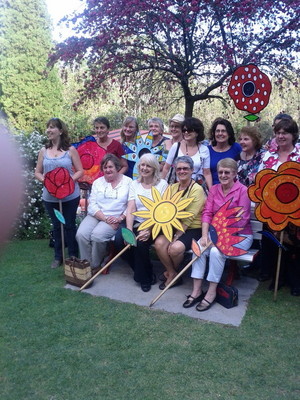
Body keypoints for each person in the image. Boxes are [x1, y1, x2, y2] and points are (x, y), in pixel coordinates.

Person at [184, 159, 253, 311]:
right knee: (198, 248)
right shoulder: (214, 189)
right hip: (214, 234)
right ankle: (196, 291)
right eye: (220, 172)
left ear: (235, 174)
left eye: (227, 172)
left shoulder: (243, 191)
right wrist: (204, 236)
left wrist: (218, 239)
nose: (223, 175)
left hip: (240, 236)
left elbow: (241, 220)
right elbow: (207, 214)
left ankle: (211, 292)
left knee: (217, 251)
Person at [115, 153, 168, 292]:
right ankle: (146, 270)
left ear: (155, 168)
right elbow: (131, 207)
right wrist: (129, 230)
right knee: (120, 241)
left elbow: (162, 211)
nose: (144, 168)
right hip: (135, 221)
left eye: (148, 165)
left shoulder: (162, 184)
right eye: (142, 165)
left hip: (155, 224)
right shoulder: (135, 184)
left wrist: (149, 229)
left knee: (140, 243)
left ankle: (144, 278)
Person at [35, 118, 83, 268]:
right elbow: (37, 172)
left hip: (70, 196)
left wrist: (67, 183)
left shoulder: (70, 150)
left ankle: (73, 255)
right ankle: (58, 256)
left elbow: (80, 171)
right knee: (56, 226)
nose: (49, 130)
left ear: (61, 131)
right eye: (48, 127)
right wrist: (47, 183)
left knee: (69, 224)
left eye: (52, 127)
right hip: (50, 197)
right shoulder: (44, 151)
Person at [257, 118, 300, 287]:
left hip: (295, 207)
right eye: (278, 133)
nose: (281, 136)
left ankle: (294, 280)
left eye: (285, 133)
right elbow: (260, 178)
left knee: (293, 244)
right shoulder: (268, 156)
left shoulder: (299, 155)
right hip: (272, 208)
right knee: (274, 242)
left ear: (293, 135)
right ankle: (277, 277)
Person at [155, 156, 205, 289]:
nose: (182, 171)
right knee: (159, 243)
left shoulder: (197, 189)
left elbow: (189, 217)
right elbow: (165, 209)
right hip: (173, 226)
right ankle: (172, 273)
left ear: (192, 170)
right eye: (179, 169)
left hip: (192, 228)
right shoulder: (172, 188)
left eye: (185, 168)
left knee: (175, 248)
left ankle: (171, 273)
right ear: (175, 170)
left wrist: (176, 236)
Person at [76, 154, 132, 274]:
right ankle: (86, 264)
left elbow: (131, 205)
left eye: (110, 167)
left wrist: (121, 218)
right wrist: (105, 218)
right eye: (105, 167)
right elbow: (92, 205)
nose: (108, 170)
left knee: (97, 236)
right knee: (81, 234)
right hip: (97, 215)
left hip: (115, 218)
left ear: (117, 167)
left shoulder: (128, 182)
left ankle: (94, 265)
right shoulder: (98, 183)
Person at [162, 117, 212, 191]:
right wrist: (160, 186)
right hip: (177, 187)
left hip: (197, 188)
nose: (186, 132)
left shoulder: (204, 149)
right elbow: (166, 168)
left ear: (197, 132)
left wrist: (211, 191)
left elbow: (207, 173)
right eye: (184, 130)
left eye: (189, 130)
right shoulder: (176, 146)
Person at [208, 118, 242, 185]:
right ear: (214, 133)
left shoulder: (237, 148)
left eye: (223, 131)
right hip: (213, 189)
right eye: (217, 131)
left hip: (233, 189)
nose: (220, 133)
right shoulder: (207, 150)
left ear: (229, 134)